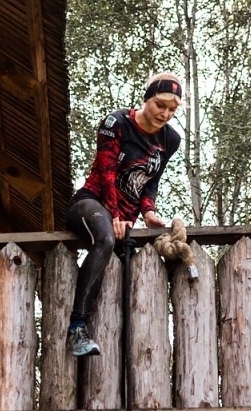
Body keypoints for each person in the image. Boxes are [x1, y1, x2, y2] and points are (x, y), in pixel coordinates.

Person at [65, 73, 183, 357]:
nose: (165, 114)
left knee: (131, 269)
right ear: (146, 99)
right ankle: (76, 328)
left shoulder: (170, 139)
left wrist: (149, 211)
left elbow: (151, 181)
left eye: (172, 110)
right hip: (91, 203)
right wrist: (115, 214)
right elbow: (106, 173)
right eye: (160, 105)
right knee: (105, 239)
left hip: (124, 219)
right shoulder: (115, 123)